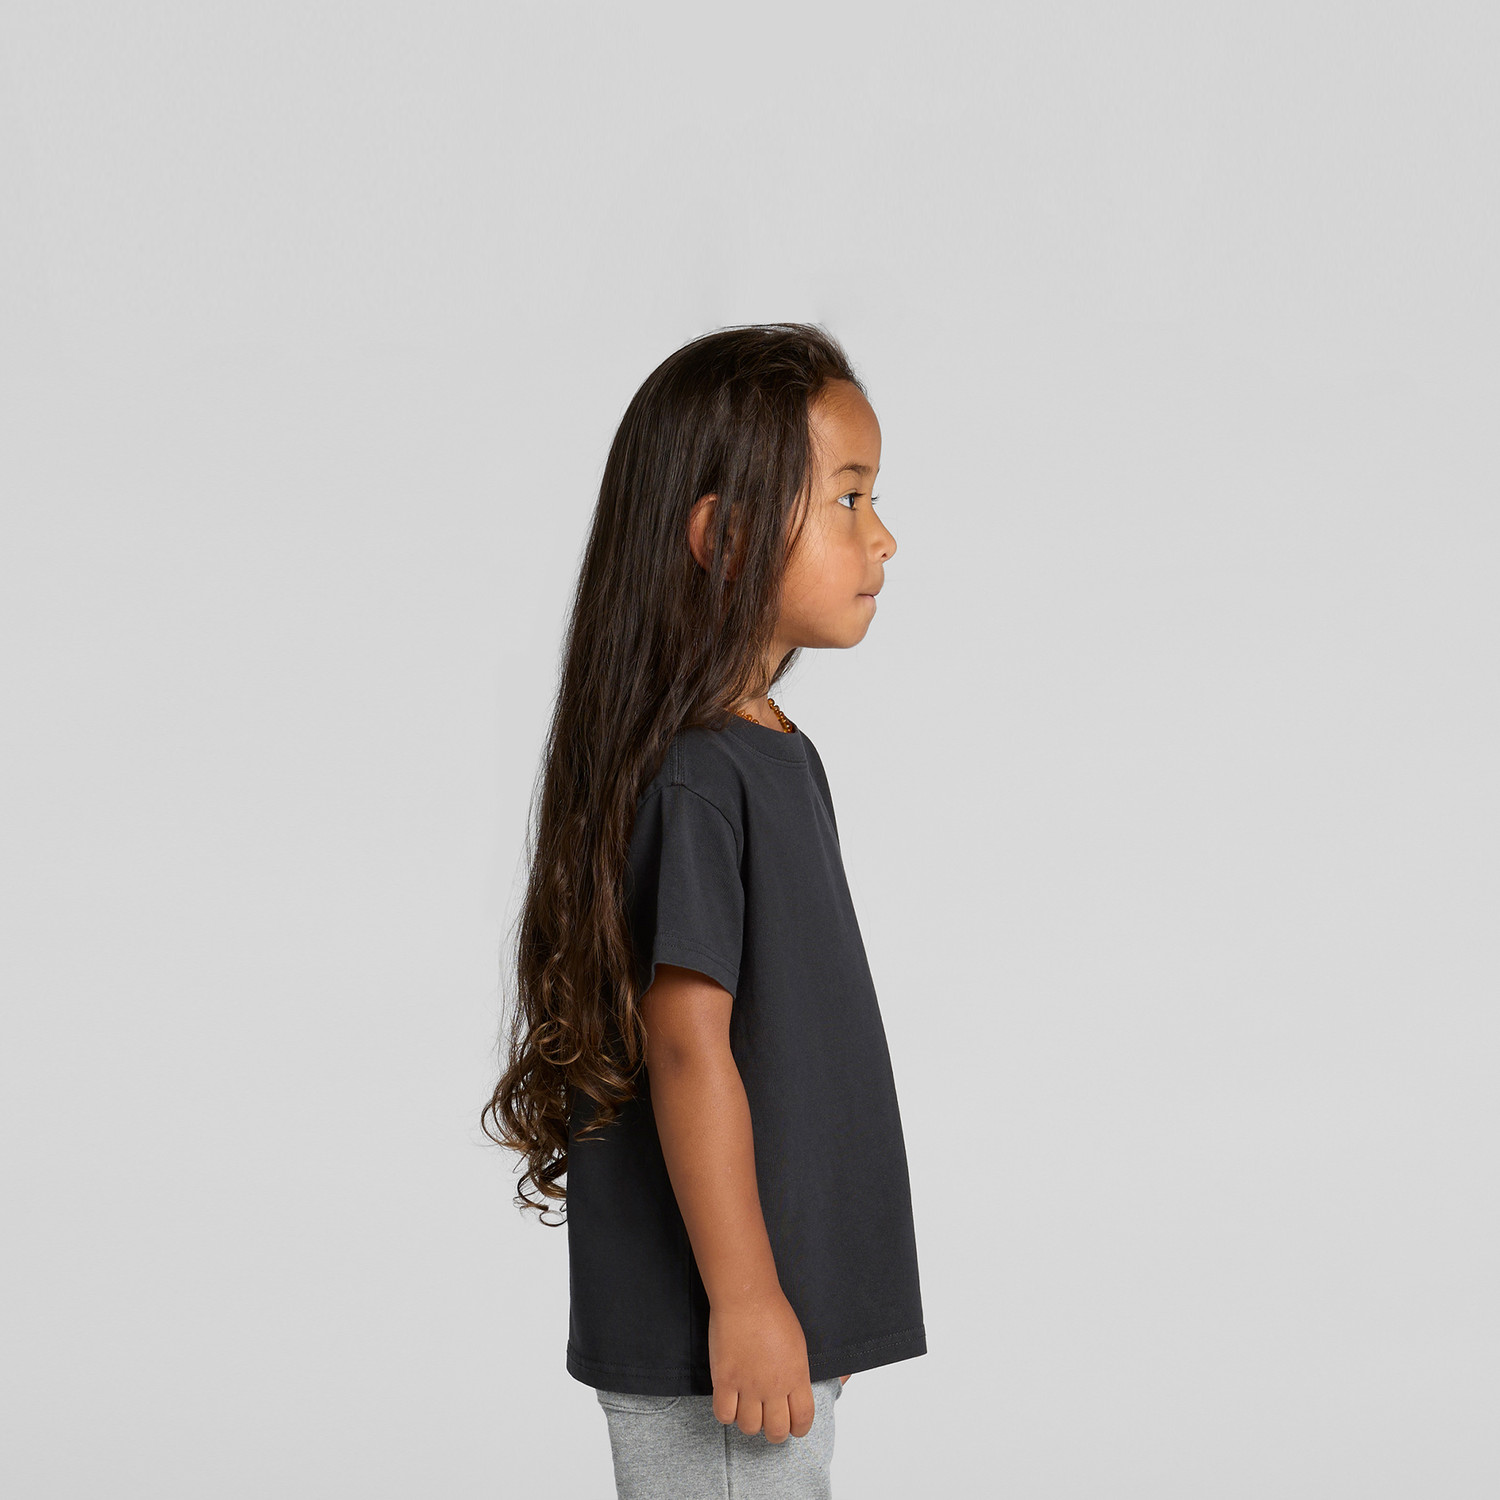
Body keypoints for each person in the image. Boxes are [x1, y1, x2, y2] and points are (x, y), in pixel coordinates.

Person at [482, 323, 925, 1498]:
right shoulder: (698, 776)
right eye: (847, 499)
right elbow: (686, 1045)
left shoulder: (769, 755)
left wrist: (804, 1286)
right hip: (716, 1324)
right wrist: (747, 1296)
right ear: (725, 537)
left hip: (772, 1303)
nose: (882, 537)